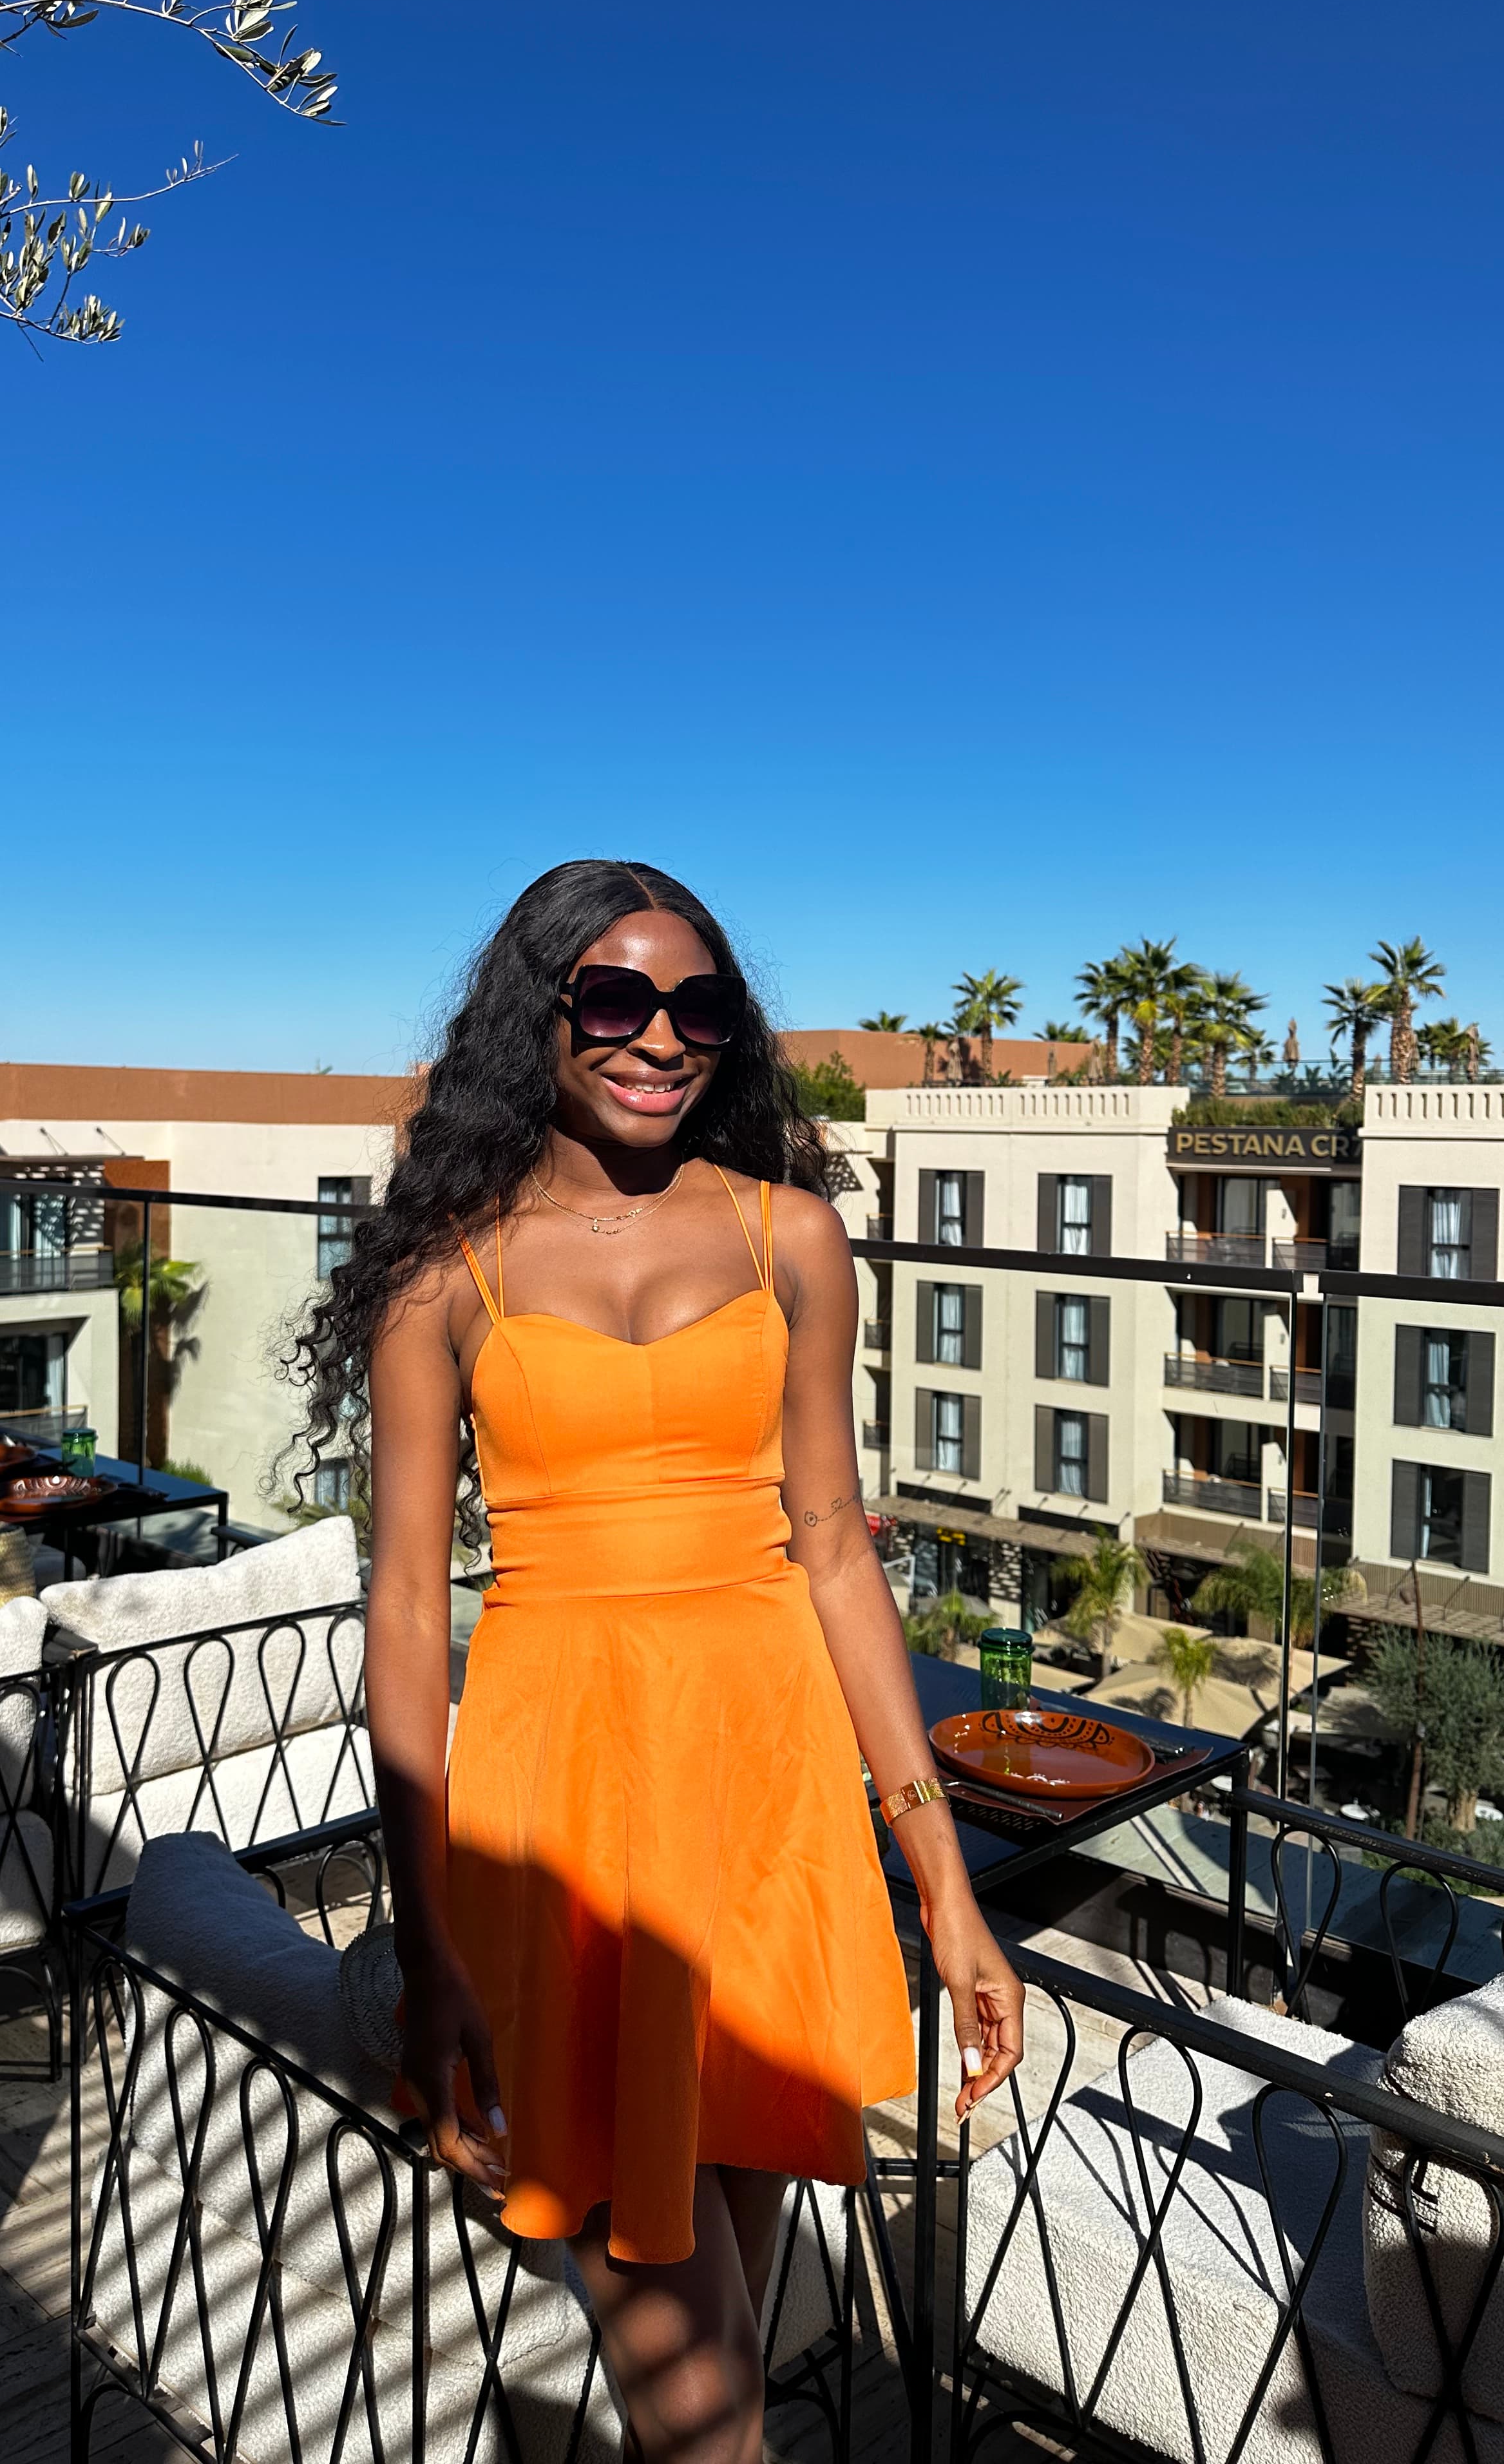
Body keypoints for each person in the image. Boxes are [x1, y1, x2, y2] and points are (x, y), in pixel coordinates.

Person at [296, 859, 1023, 2464]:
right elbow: (408, 1613)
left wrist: (945, 1887)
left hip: (766, 1815)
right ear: (539, 1020)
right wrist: (424, 1948)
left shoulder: (796, 1241)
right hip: (568, 1829)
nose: (660, 1039)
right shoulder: (448, 1276)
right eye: (617, 1000)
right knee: (708, 2417)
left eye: (699, 1007)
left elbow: (834, 1550)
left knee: (719, 2379)